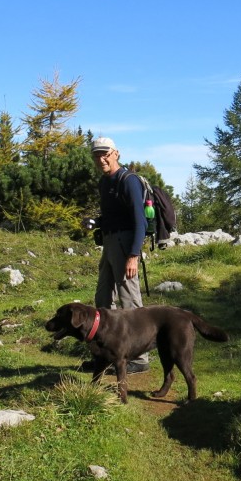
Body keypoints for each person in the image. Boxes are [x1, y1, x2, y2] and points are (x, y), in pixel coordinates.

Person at [89, 136, 149, 373]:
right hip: (109, 241)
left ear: (116, 153)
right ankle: (106, 354)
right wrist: (95, 221)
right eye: (96, 155)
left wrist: (133, 255)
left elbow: (140, 221)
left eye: (104, 153)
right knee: (102, 299)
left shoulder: (129, 181)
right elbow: (112, 215)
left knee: (130, 303)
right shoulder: (104, 183)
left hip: (125, 245)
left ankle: (140, 360)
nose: (100, 158)